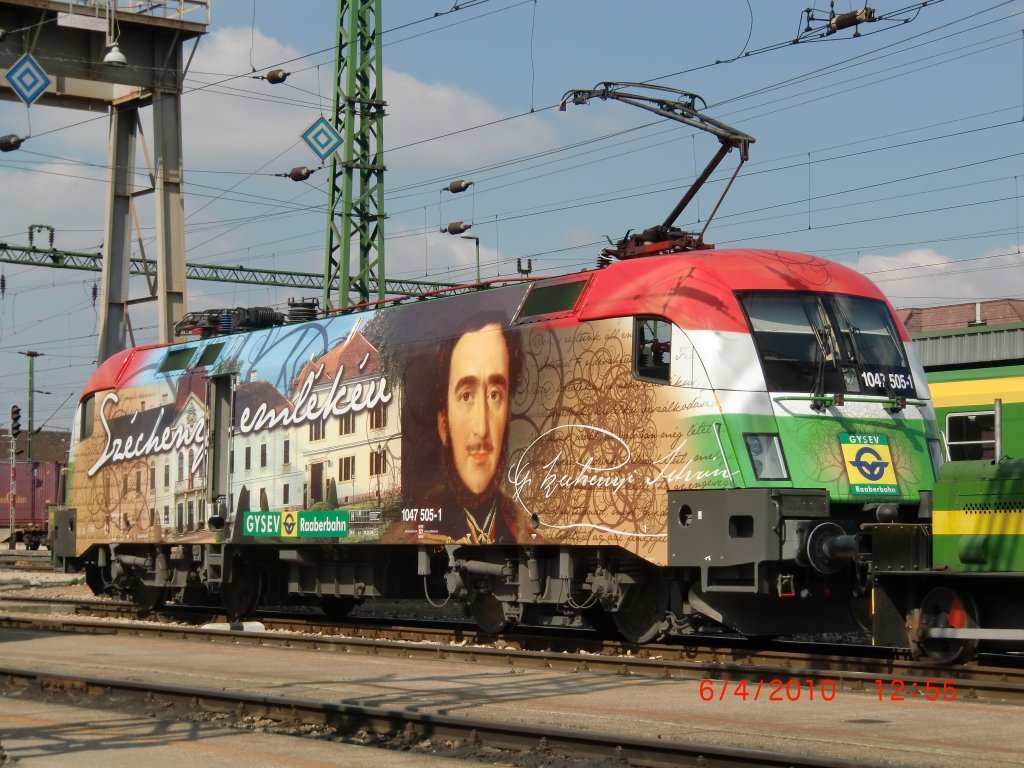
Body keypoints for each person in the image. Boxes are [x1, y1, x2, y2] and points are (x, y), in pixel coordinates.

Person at [384, 314, 534, 544]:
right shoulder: (410, 533)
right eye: (466, 395)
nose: (482, 429)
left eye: (494, 395)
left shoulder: (527, 534)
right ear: (443, 424)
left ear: (507, 413)